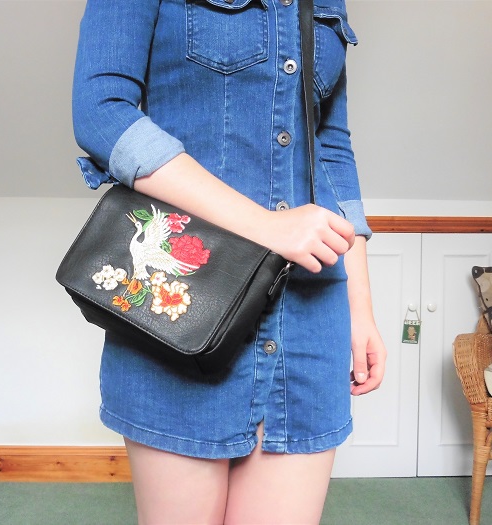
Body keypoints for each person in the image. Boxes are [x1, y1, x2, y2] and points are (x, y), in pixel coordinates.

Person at [71, 0, 386, 523]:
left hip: (308, 313)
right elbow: (101, 111)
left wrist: (361, 305)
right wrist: (266, 226)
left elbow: (331, 146)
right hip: (183, 302)